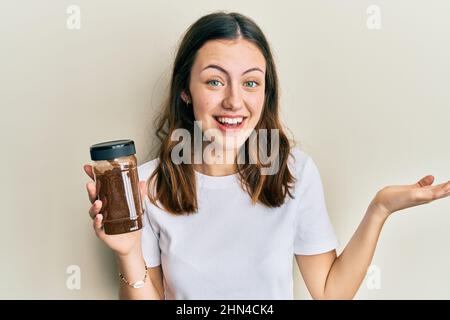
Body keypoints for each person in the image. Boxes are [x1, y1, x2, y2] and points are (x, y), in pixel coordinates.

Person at [83, 11, 450, 300]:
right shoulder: (146, 185)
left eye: (250, 82)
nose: (234, 101)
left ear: (264, 92)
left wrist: (379, 209)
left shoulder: (295, 173)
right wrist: (128, 253)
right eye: (214, 80)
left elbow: (330, 291)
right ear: (185, 90)